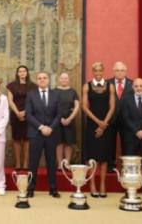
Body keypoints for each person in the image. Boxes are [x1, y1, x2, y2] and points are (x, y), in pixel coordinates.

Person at [82, 62, 116, 198]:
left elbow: (112, 107)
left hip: (106, 125)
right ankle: (92, 185)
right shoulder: (86, 86)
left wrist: (104, 124)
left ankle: (102, 184)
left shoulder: (111, 86)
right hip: (92, 125)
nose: (97, 73)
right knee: (92, 157)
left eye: (100, 70)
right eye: (95, 71)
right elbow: (84, 107)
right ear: (92, 71)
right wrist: (98, 123)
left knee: (104, 157)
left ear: (103, 71)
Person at [25, 72, 61, 198]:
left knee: (51, 161)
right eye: (39, 78)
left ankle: (53, 188)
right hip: (36, 133)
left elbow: (59, 114)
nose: (42, 80)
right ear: (37, 81)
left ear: (48, 80)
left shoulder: (56, 94)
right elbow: (29, 114)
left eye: (44, 78)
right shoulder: (31, 95)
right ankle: (30, 188)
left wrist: (50, 128)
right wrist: (41, 127)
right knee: (33, 162)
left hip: (51, 133)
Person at [121, 78, 142, 198]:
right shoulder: (126, 100)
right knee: (130, 164)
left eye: (141, 86)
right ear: (133, 87)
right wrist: (136, 131)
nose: (139, 88)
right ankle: (129, 188)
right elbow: (125, 118)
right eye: (136, 86)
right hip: (131, 137)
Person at [6, 66, 37, 170]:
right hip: (15, 114)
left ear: (27, 73)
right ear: (17, 73)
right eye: (20, 71)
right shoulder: (11, 86)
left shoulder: (33, 86)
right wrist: (17, 112)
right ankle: (18, 164)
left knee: (27, 140)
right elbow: (10, 101)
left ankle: (25, 164)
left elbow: (34, 101)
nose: (22, 73)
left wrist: (25, 112)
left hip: (29, 115)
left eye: (24, 71)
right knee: (16, 139)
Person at [106, 61, 133, 172]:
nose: (120, 72)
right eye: (117, 70)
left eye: (122, 70)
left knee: (127, 143)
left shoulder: (133, 84)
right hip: (111, 118)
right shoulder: (107, 83)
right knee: (110, 143)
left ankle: (126, 166)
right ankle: (110, 166)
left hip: (127, 119)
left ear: (126, 71)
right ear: (113, 71)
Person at [55, 73, 80, 169]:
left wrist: (70, 118)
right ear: (59, 79)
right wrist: (59, 118)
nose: (64, 80)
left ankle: (67, 163)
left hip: (70, 120)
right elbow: (52, 106)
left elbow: (77, 106)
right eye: (62, 78)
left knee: (68, 142)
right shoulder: (54, 91)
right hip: (57, 121)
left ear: (68, 80)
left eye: (66, 78)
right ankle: (60, 164)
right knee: (59, 142)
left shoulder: (73, 91)